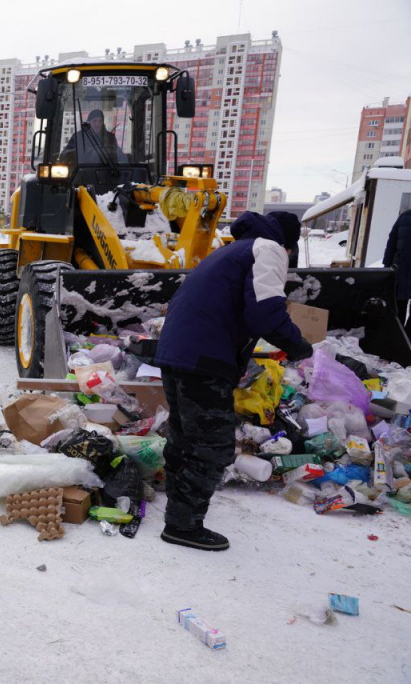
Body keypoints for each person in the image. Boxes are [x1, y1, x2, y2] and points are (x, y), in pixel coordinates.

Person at [154, 211, 312, 551]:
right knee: (213, 447)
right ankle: (183, 525)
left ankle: (178, 505)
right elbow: (265, 312)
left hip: (176, 352)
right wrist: (298, 344)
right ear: (288, 243)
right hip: (203, 357)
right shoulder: (268, 248)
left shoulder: (232, 250)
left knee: (184, 437)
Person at [58, 108, 124, 165]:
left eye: (100, 121)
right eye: (94, 121)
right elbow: (64, 155)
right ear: (89, 122)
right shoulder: (78, 137)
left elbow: (119, 155)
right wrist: (79, 151)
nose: (97, 124)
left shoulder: (110, 137)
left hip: (106, 171)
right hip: (82, 171)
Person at [382, 209, 411, 332]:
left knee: (398, 305)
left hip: (401, 268)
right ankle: (407, 339)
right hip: (403, 267)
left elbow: (391, 241)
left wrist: (387, 266)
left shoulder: (405, 216)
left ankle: (397, 336)